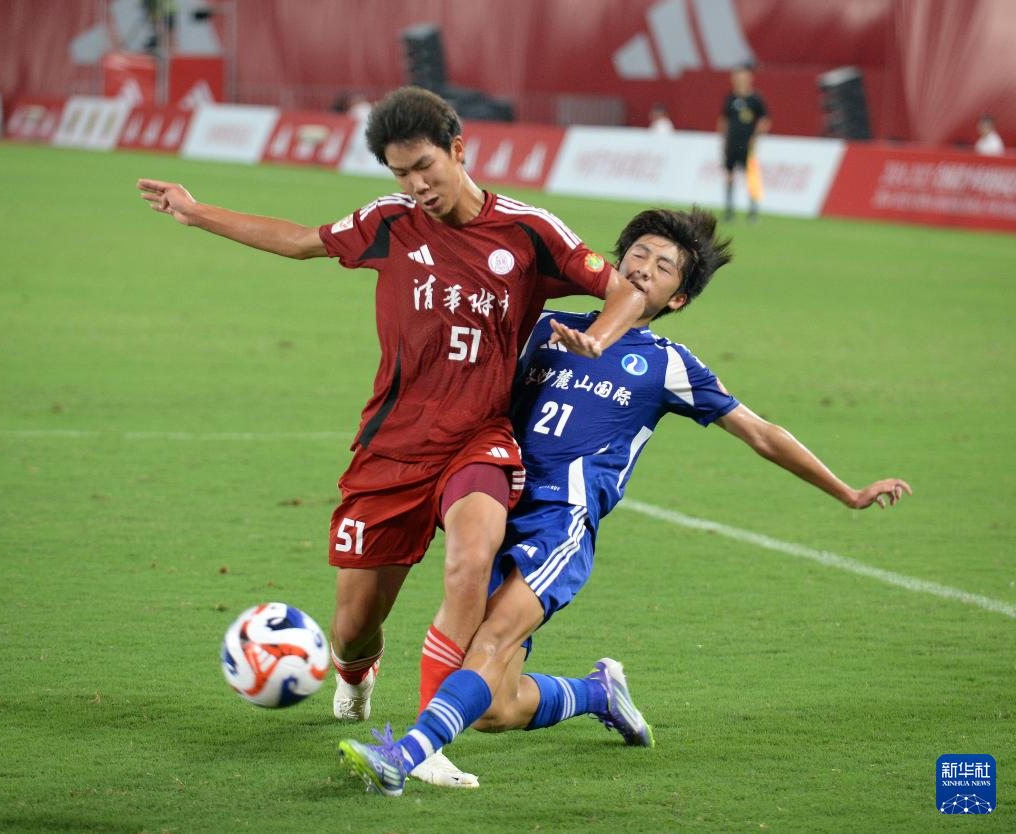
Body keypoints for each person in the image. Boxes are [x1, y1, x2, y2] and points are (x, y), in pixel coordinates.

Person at [137, 86, 647, 784]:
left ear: (458, 149)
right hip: (392, 449)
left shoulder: (528, 232)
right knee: (351, 628)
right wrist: (196, 213)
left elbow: (624, 287)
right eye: (401, 173)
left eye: (424, 167)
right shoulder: (388, 222)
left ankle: (425, 743)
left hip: (479, 439)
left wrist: (601, 336)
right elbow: (301, 241)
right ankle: (357, 673)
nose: (416, 186)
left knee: (471, 561)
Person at [337, 206, 912, 796]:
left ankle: (404, 755)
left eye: (664, 267)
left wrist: (848, 492)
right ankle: (598, 693)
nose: (644, 268)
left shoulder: (668, 364)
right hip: (495, 507)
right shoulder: (546, 327)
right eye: (639, 253)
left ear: (678, 298)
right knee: (494, 709)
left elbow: (762, 433)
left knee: (490, 642)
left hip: (559, 523)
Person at [717, 66, 770, 222]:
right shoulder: (731, 98)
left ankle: (752, 211)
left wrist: (756, 136)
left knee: (751, 176)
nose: (739, 80)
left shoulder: (755, 99)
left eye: (742, 77)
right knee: (729, 174)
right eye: (737, 77)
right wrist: (723, 139)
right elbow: (724, 120)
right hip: (732, 142)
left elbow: (765, 119)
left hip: (747, 143)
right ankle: (729, 210)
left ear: (749, 79)